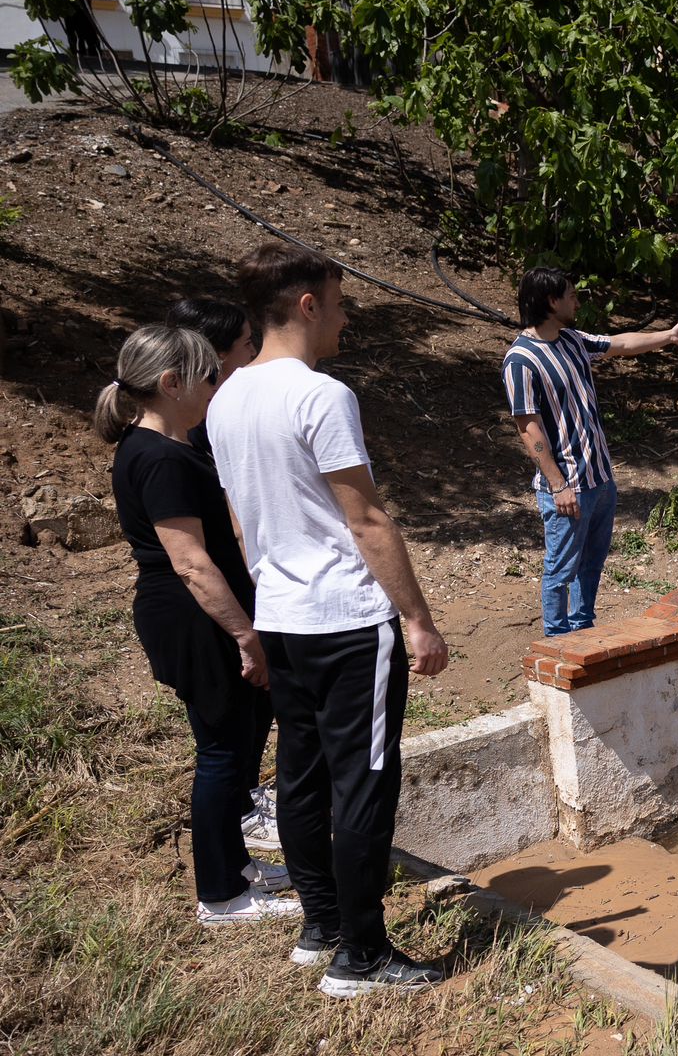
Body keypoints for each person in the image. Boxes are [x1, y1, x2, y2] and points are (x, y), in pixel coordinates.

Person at [208, 242, 451, 998]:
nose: (347, 318)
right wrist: (417, 619)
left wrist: (270, 591)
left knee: (302, 778)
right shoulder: (320, 396)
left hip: (281, 612)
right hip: (346, 618)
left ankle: (321, 928)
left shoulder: (225, 399)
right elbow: (369, 521)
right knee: (365, 786)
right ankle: (365, 955)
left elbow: (244, 523)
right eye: (341, 303)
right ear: (307, 305)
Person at [95, 324, 298, 928]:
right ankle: (222, 894)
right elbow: (189, 561)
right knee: (221, 752)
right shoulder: (158, 457)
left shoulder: (164, 446)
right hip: (194, 622)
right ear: (170, 383)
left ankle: (235, 868)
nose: (217, 383)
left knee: (234, 746)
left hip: (196, 617)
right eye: (207, 374)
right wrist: (246, 633)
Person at [503, 268, 678, 636]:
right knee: (561, 569)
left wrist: (669, 336)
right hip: (568, 485)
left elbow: (621, 344)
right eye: (570, 295)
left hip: (600, 479)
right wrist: (557, 484)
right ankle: (557, 642)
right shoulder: (521, 360)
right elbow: (527, 428)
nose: (577, 301)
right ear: (551, 302)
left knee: (592, 564)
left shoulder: (572, 340)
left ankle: (584, 633)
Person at [164, 296, 279, 851]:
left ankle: (245, 800)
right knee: (227, 732)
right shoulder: (187, 438)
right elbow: (204, 542)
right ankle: (231, 836)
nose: (255, 355)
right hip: (218, 595)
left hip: (235, 584)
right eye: (246, 346)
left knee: (255, 707)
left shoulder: (206, 423)